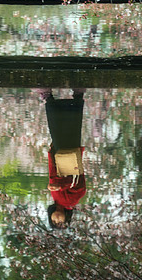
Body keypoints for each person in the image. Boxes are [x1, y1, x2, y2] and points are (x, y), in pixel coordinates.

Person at [37, 88, 87, 228]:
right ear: (67, 217)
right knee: (70, 129)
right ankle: (73, 96)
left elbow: (52, 175)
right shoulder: (70, 202)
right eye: (60, 222)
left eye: (54, 221)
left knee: (57, 130)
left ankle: (53, 98)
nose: (57, 219)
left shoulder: (58, 201)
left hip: (58, 160)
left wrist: (51, 157)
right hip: (68, 161)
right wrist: (61, 185)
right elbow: (79, 186)